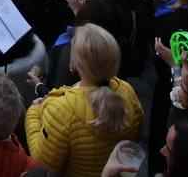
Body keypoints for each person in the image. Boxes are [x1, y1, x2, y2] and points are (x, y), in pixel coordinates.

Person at [25, 24, 142, 177]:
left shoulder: (62, 109)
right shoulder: (128, 90)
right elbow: (134, 135)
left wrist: (32, 113)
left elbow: (43, 161)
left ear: (74, 63)